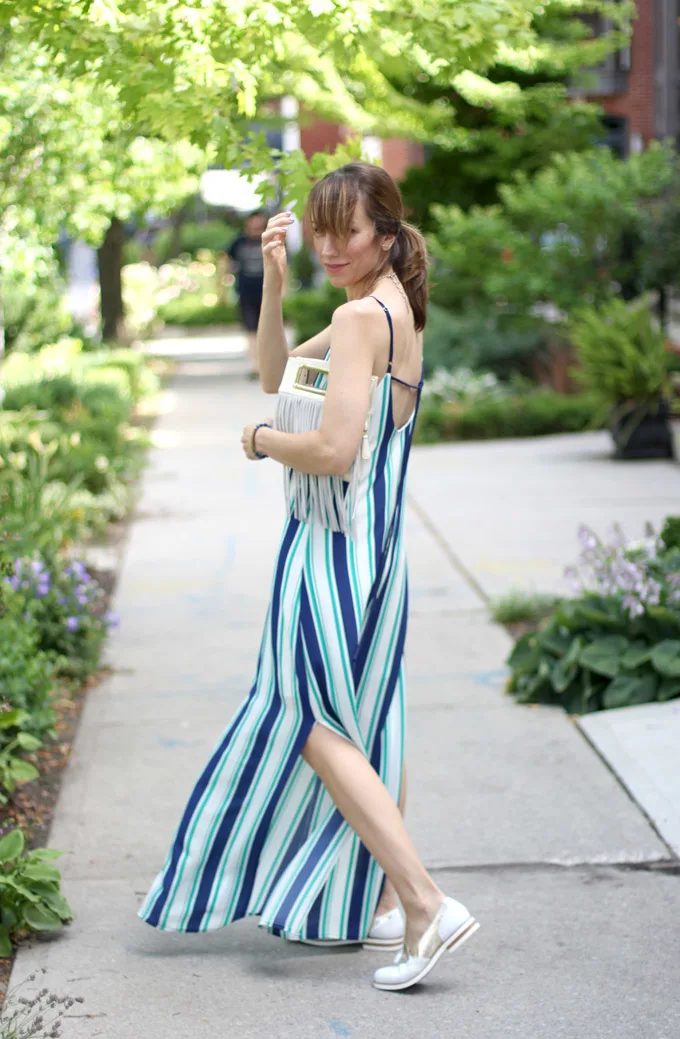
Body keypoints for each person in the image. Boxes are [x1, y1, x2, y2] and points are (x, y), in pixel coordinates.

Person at [138, 162, 479, 992]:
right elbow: (276, 368)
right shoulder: (391, 309)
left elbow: (330, 447)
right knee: (360, 726)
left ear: (386, 236)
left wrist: (259, 440)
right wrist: (275, 284)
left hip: (330, 550)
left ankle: (425, 901)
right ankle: (383, 904)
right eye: (320, 229)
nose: (331, 244)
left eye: (347, 231)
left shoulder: (364, 317)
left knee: (310, 722)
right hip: (377, 553)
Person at [226, 210, 266, 377]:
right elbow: (227, 263)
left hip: (266, 292)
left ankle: (265, 364)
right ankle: (255, 365)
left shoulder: (269, 240)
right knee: (251, 330)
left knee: (265, 329)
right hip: (245, 292)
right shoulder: (238, 243)